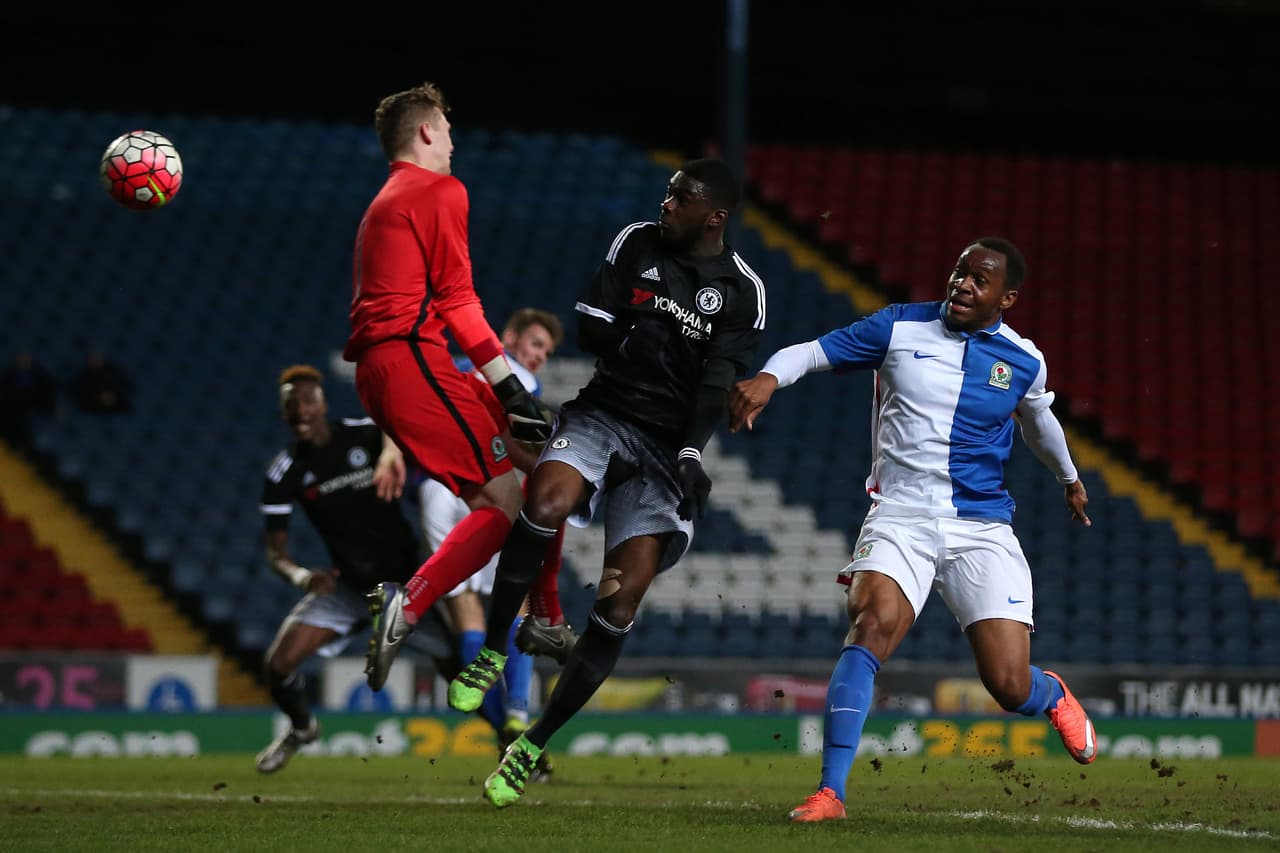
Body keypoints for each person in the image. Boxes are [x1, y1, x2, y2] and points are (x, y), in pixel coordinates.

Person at [727, 237, 1096, 823]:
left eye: (979, 280)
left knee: (1007, 685)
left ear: (1008, 297)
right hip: (900, 514)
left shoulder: (1022, 359)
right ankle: (832, 792)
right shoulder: (899, 327)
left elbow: (1039, 422)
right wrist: (770, 379)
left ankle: (1048, 693)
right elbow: (812, 352)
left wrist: (1069, 478)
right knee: (871, 625)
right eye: (958, 272)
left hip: (981, 526)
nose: (962, 285)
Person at [450, 158, 767, 808]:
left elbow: (714, 386)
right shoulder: (637, 240)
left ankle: (531, 742)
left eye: (681, 197)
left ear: (715, 215)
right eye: (668, 191)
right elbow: (594, 326)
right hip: (603, 413)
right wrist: (646, 335)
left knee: (618, 606)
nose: (666, 203)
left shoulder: (742, 291)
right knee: (543, 499)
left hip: (662, 447)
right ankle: (490, 653)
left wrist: (688, 453)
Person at [341, 81, 556, 693]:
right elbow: (458, 301)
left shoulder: (385, 200)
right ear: (428, 131)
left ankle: (545, 616)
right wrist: (510, 388)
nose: (456, 144)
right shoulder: (438, 189)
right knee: (505, 504)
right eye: (450, 130)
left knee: (533, 469)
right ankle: (407, 606)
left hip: (384, 371)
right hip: (414, 360)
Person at [255, 364, 459, 773]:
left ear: (323, 403)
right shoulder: (284, 472)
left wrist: (388, 452)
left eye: (308, 401)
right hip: (349, 587)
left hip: (408, 583)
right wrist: (301, 576)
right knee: (277, 666)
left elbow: (395, 420)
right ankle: (302, 727)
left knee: (460, 668)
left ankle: (513, 744)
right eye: (292, 405)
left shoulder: (361, 432)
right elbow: (275, 552)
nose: (301, 411)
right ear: (284, 413)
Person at [412, 307, 571, 778]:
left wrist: (390, 455)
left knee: (466, 610)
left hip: (436, 487)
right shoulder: (515, 382)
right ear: (509, 338)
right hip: (486, 486)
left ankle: (505, 727)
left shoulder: (456, 368)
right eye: (536, 344)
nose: (539, 356)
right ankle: (518, 716)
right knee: (515, 599)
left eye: (546, 350)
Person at [0, 350, 58, 448]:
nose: (24, 362)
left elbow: (49, 389)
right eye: (21, 360)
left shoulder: (38, 374)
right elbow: (5, 392)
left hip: (35, 405)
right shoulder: (10, 375)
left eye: (26, 359)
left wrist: (55, 406)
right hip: (15, 407)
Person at [69, 347, 133, 414]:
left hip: (115, 405)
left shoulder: (112, 372)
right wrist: (98, 397)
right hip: (91, 407)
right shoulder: (83, 375)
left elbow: (127, 386)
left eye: (97, 357)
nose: (95, 360)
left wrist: (112, 396)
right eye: (92, 357)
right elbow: (77, 391)